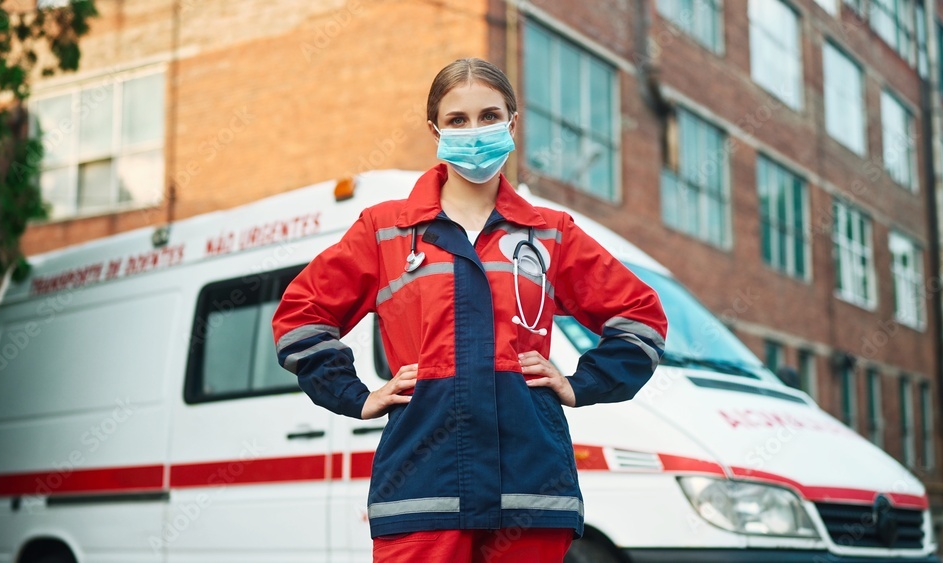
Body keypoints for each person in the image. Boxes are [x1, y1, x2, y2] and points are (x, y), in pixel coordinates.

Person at [272, 57, 668, 563]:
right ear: (435, 129)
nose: (475, 131)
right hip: (423, 489)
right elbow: (302, 314)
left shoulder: (551, 233)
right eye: (458, 120)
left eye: (489, 116)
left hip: (530, 490)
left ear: (512, 123)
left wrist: (582, 383)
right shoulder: (386, 230)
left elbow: (640, 317)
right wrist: (355, 396)